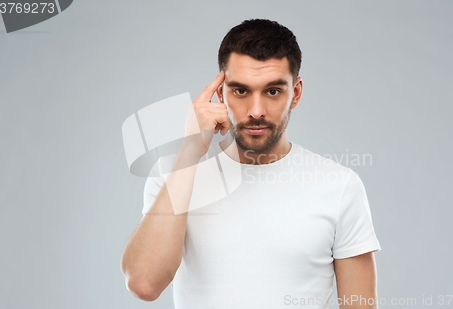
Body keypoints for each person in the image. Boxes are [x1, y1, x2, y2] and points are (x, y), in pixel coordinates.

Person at [120, 18, 382, 309]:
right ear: (221, 93)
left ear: (294, 93)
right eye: (241, 91)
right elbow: (144, 284)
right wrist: (190, 152)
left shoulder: (339, 186)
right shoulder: (176, 174)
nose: (256, 111)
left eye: (272, 91)